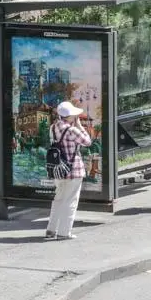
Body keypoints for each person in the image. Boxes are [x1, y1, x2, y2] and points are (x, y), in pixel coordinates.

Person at [45, 101, 93, 240]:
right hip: (73, 169)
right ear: (70, 116)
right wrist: (79, 126)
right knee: (71, 201)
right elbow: (87, 141)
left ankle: (51, 230)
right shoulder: (72, 130)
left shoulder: (53, 127)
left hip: (58, 169)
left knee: (58, 199)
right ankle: (64, 232)